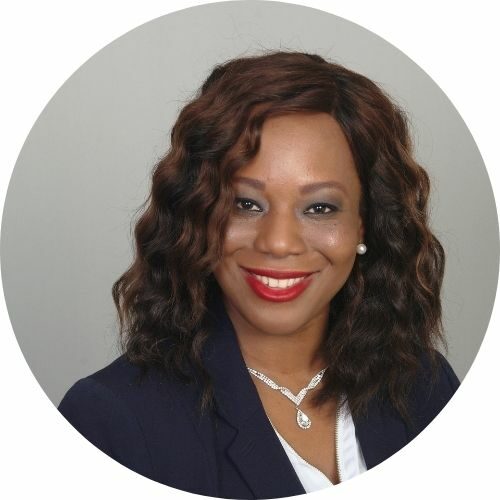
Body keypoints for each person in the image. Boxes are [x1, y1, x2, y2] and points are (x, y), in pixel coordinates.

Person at [58, 51, 460, 499]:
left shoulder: (425, 384)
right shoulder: (113, 421)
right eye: (245, 203)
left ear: (364, 224)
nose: (278, 242)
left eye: (320, 207)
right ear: (199, 214)